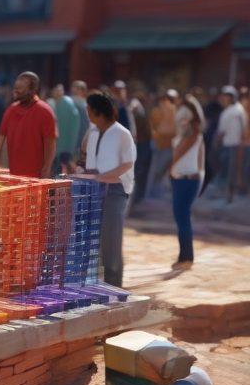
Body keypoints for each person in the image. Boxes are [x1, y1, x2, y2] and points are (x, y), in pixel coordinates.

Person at [75, 92, 135, 288]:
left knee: (111, 241)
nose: (86, 112)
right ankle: (98, 286)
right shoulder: (93, 132)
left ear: (97, 112)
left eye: (89, 109)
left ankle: (114, 285)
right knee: (94, 241)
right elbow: (87, 157)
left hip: (115, 191)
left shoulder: (122, 133)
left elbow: (127, 163)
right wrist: (82, 170)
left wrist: (102, 177)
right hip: (94, 190)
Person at [0, 71, 57, 179]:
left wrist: (47, 168)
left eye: (20, 88)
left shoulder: (45, 111)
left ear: (33, 90)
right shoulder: (11, 110)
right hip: (13, 175)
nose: (15, 91)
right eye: (15, 87)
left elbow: (50, 143)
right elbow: (1, 136)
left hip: (36, 177)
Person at [167, 96, 205, 270]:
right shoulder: (189, 131)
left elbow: (180, 152)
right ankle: (185, 256)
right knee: (182, 218)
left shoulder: (193, 131)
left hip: (186, 180)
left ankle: (186, 257)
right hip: (184, 179)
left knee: (182, 218)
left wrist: (171, 169)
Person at [147, 90, 179, 200]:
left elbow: (153, 127)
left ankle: (153, 192)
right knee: (161, 170)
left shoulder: (169, 110)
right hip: (165, 143)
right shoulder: (174, 110)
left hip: (162, 143)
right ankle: (155, 192)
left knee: (157, 170)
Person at [216, 86, 246, 199]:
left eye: (226, 96)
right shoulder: (238, 109)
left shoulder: (231, 111)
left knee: (229, 171)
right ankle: (228, 193)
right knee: (230, 170)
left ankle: (229, 194)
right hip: (233, 144)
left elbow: (221, 132)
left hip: (231, 145)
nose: (224, 98)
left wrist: (216, 144)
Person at [48, 84, 81, 175]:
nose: (57, 92)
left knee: (65, 169)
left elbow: (74, 126)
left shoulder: (68, 103)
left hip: (66, 146)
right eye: (55, 90)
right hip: (55, 145)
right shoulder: (52, 103)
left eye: (59, 90)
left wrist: (72, 146)